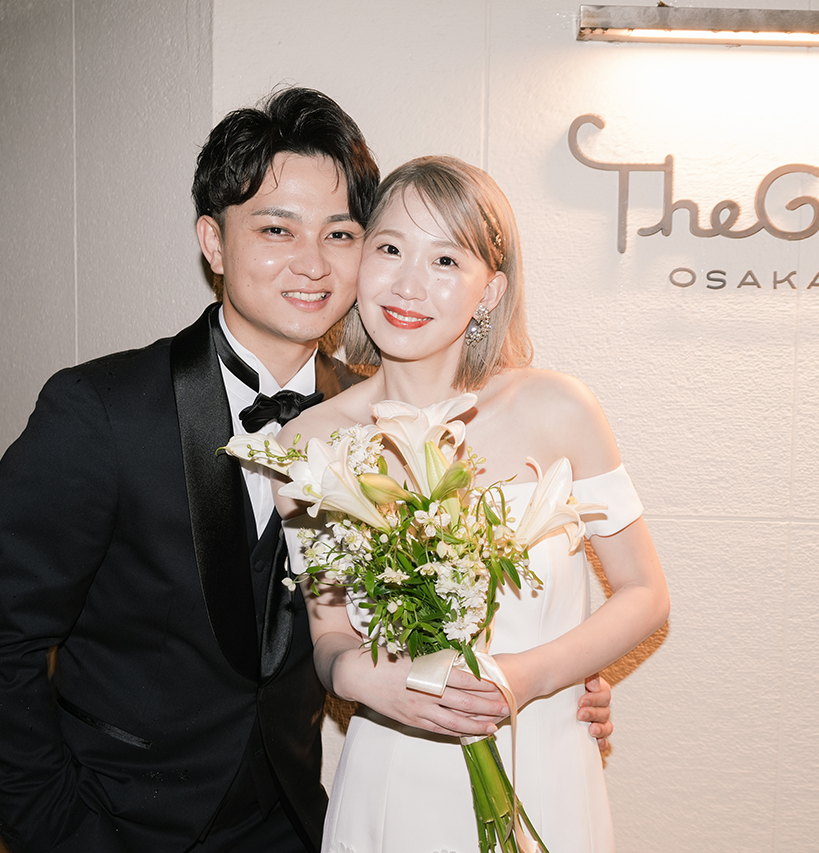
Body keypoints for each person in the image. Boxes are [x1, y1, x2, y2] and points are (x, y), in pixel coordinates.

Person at [0, 89, 613, 853]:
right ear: (214, 241)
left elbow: (409, 622)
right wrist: (70, 838)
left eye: (341, 233)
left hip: (296, 825)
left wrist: (554, 682)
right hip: (119, 825)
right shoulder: (101, 412)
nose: (312, 262)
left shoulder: (386, 424)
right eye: (275, 228)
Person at [273, 156, 670, 852]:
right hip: (394, 772)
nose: (408, 284)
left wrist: (524, 677)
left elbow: (645, 593)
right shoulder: (309, 442)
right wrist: (361, 676)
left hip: (543, 758)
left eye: (446, 260)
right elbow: (329, 632)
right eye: (389, 249)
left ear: (491, 291)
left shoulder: (558, 409)